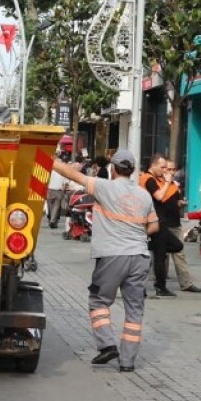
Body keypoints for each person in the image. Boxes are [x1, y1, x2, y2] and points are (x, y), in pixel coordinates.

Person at [52, 149, 159, 373]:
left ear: (113, 168)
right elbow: (154, 226)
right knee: (135, 310)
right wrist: (137, 235)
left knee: (99, 301)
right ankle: (127, 362)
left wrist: (43, 158)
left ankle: (107, 345)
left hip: (112, 256)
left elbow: (72, 175)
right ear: (132, 171)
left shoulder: (104, 187)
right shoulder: (144, 195)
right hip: (140, 256)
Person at [142, 156, 201, 297]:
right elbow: (159, 197)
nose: (166, 171)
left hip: (165, 222)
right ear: (154, 165)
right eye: (163, 168)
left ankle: (164, 285)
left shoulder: (162, 182)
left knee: (171, 249)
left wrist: (179, 200)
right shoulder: (149, 179)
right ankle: (159, 286)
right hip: (158, 221)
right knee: (160, 255)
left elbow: (168, 201)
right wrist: (168, 182)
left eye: (170, 169)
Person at [46, 154, 71, 230]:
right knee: (56, 207)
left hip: (50, 189)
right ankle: (52, 220)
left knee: (50, 206)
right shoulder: (63, 170)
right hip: (58, 190)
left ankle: (52, 219)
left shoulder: (51, 170)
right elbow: (66, 181)